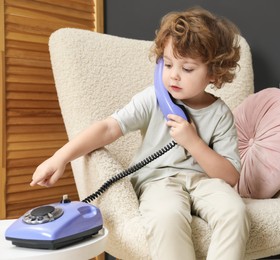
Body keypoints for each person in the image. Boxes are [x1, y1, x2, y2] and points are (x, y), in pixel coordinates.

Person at [31, 6, 250, 260]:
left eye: (187, 69)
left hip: (205, 183)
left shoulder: (220, 113)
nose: (174, 76)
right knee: (167, 216)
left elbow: (230, 176)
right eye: (167, 64)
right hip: (158, 182)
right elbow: (109, 127)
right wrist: (60, 157)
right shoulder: (154, 99)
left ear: (213, 72)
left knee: (234, 211)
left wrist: (193, 142)